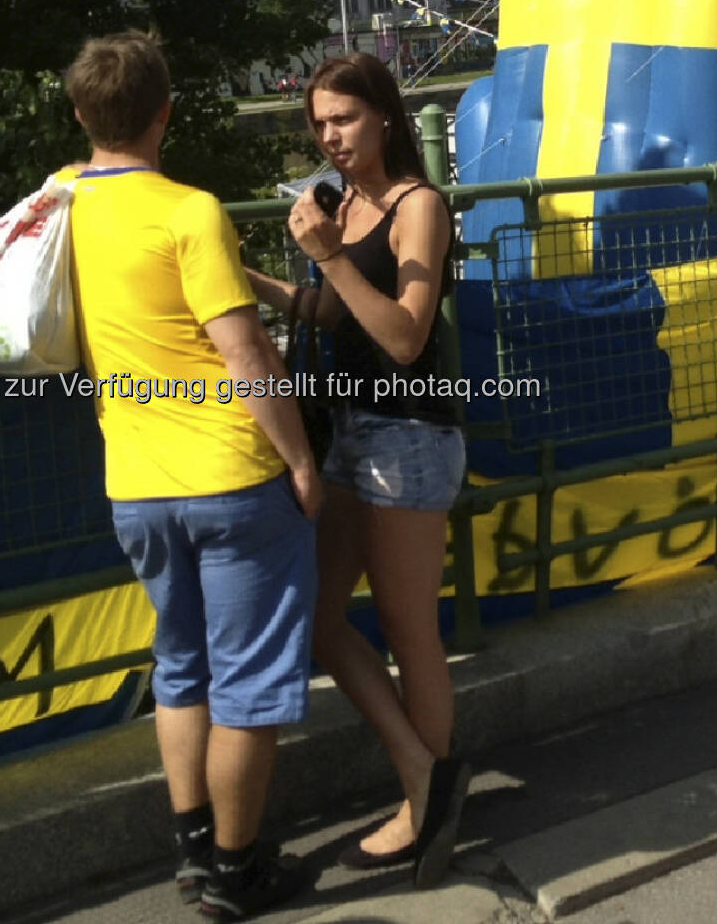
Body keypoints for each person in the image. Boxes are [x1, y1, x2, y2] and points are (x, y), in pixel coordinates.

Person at [63, 31, 321, 920]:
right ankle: (237, 871)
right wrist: (299, 459)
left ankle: (194, 850)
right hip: (231, 476)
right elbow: (245, 351)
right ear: (167, 113)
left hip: (134, 479)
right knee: (247, 684)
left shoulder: (59, 201)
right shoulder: (190, 211)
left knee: (179, 668)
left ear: (79, 114)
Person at [244, 52, 471, 891]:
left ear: (383, 115)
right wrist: (238, 281)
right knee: (321, 618)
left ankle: (427, 808)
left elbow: (406, 336)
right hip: (345, 433)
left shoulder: (420, 206)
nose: (328, 136)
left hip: (407, 438)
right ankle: (426, 776)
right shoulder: (351, 207)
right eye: (318, 124)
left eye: (341, 118)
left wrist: (329, 253)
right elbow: (328, 313)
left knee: (412, 634)